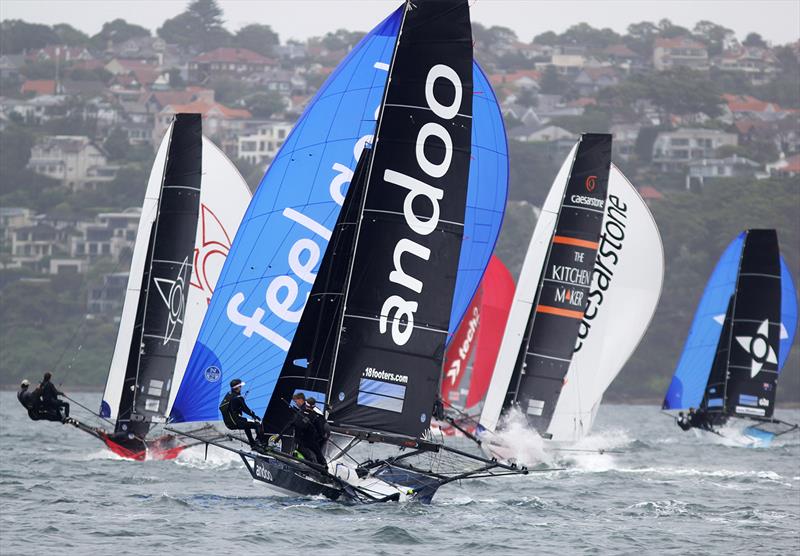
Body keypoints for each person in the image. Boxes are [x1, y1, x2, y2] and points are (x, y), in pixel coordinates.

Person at [219, 379, 265, 446]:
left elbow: (233, 406)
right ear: (237, 387)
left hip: (229, 423)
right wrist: (254, 415)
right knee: (258, 424)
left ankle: (252, 442)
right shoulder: (238, 398)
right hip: (237, 422)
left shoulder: (228, 394)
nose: (241, 388)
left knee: (246, 424)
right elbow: (246, 409)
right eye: (240, 386)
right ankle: (261, 443)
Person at [289, 393, 327, 466]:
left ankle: (317, 464)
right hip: (316, 431)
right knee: (305, 446)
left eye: (296, 401)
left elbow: (320, 423)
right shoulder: (303, 409)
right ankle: (314, 463)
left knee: (312, 448)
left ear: (300, 400)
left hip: (323, 430)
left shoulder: (307, 409)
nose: (296, 404)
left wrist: (320, 435)